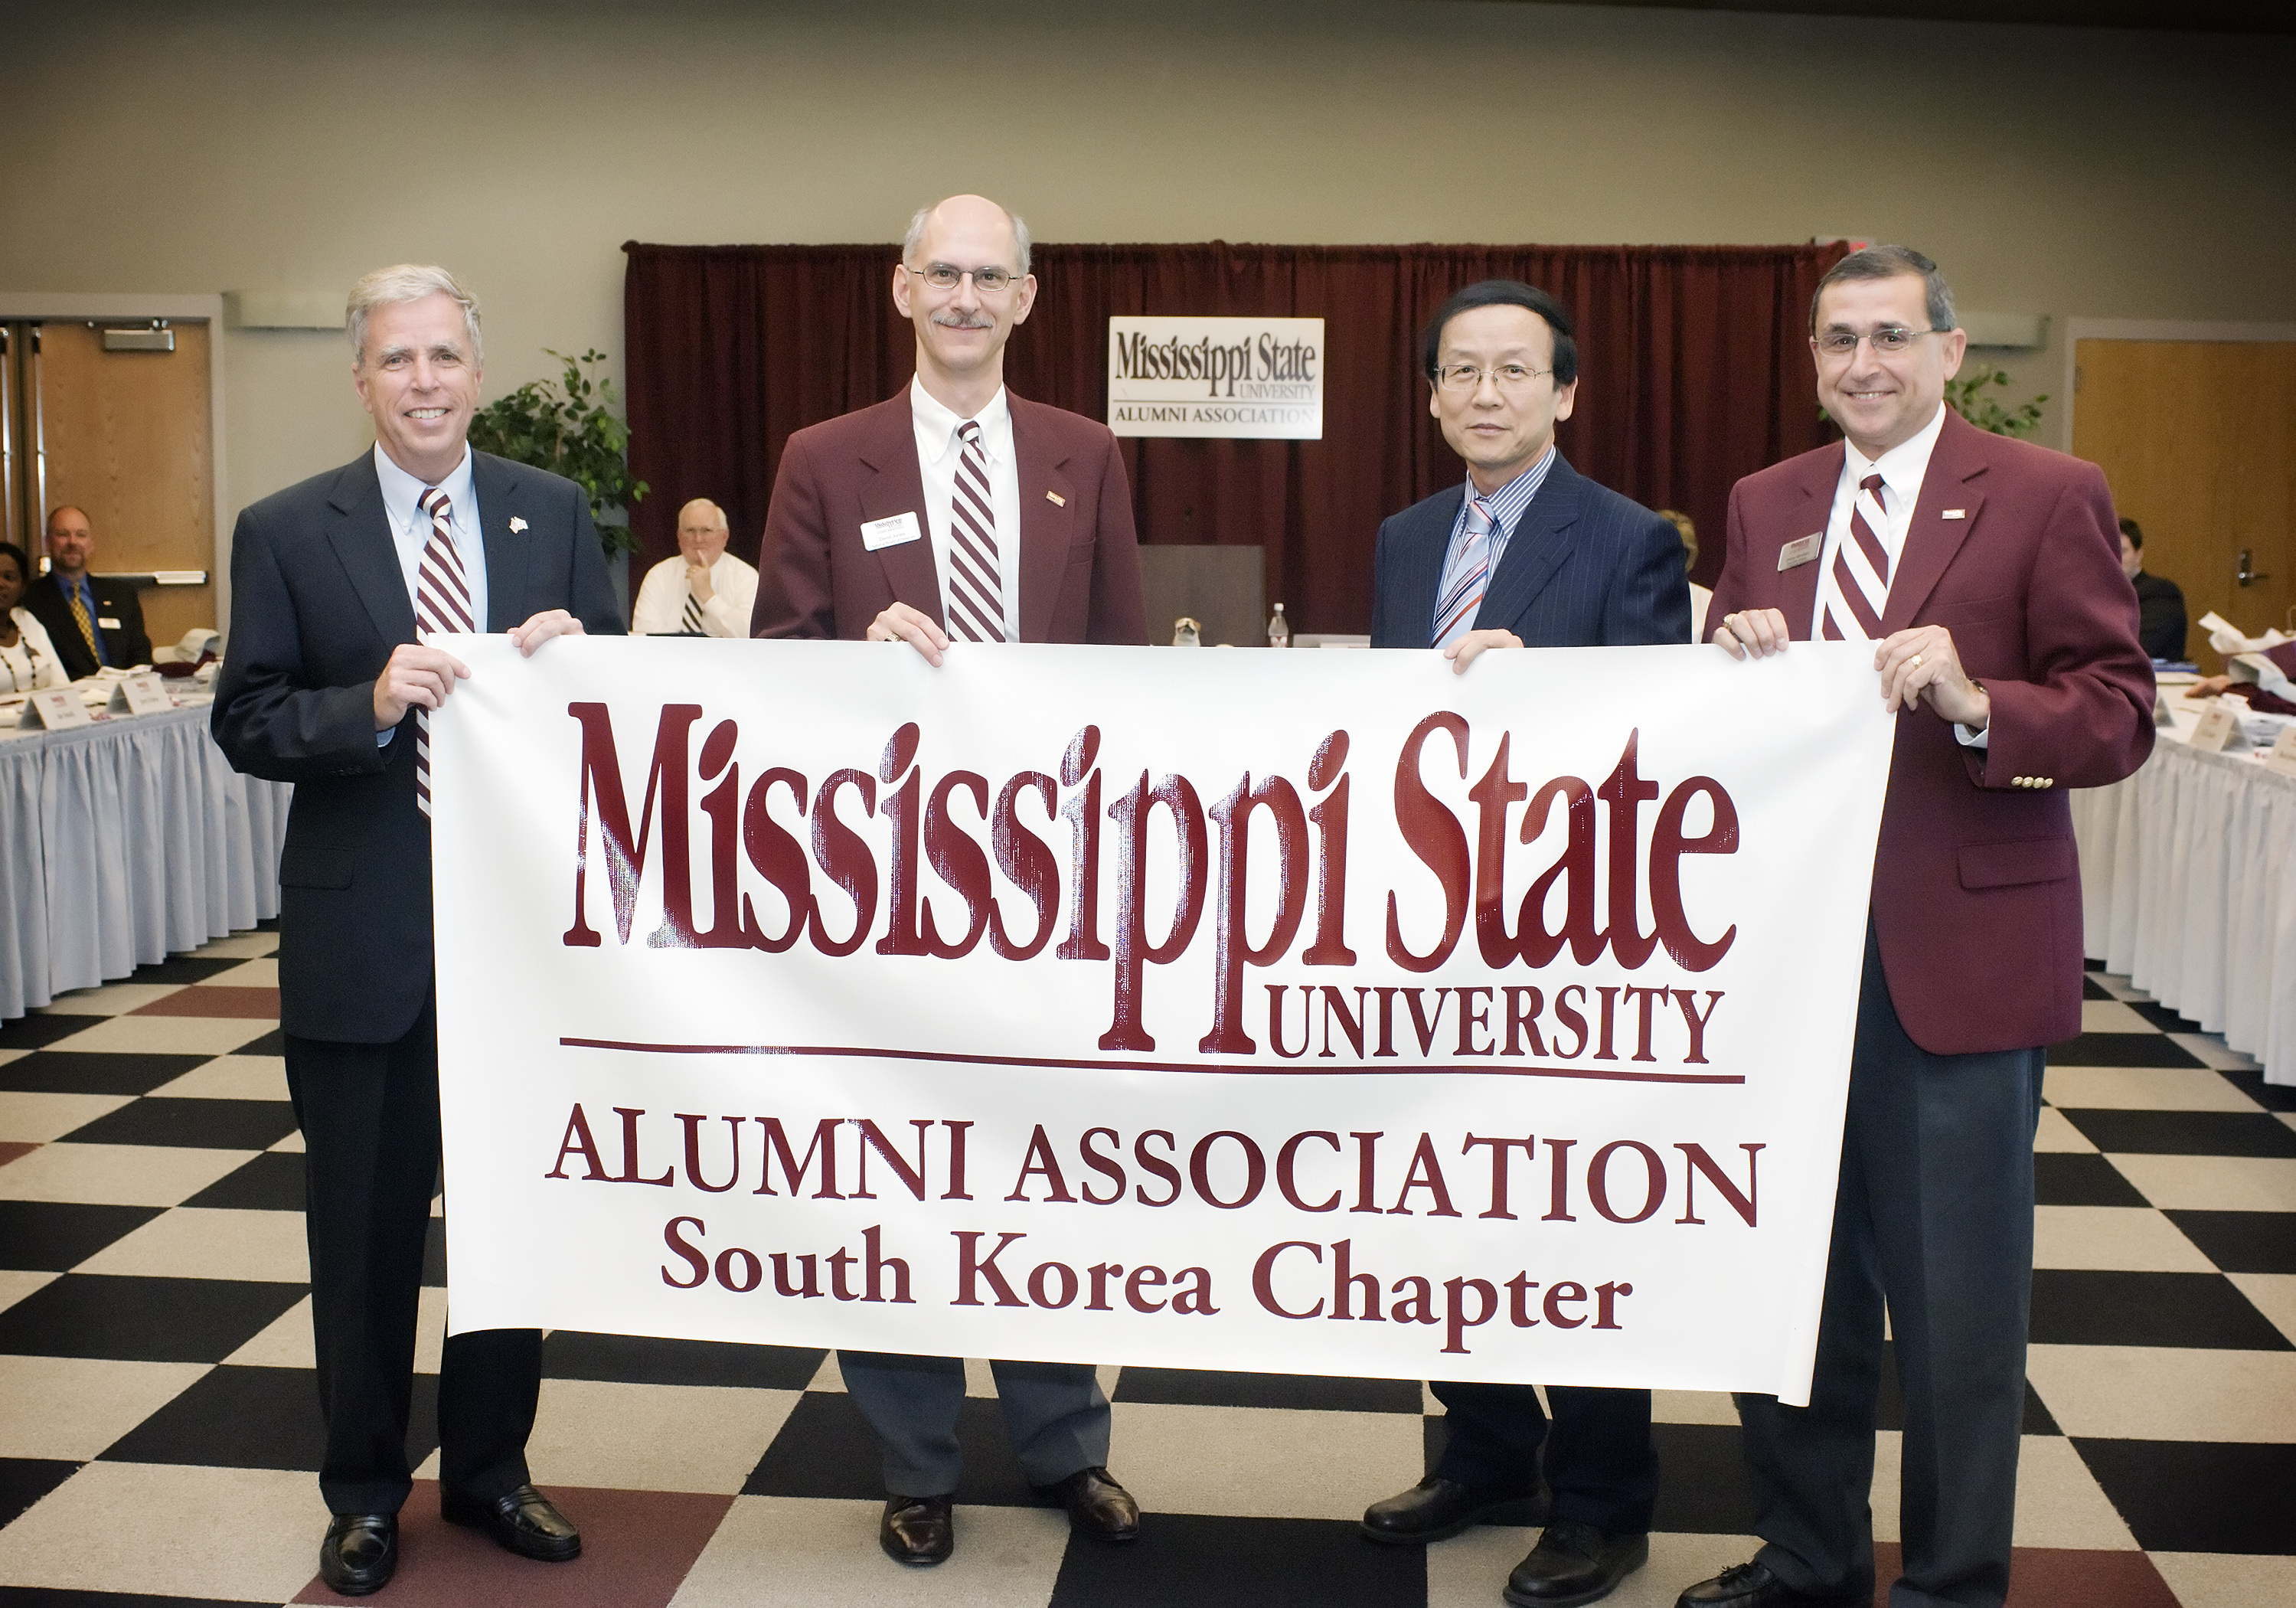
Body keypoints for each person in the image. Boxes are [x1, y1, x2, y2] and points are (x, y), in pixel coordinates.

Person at [1680, 246, 2153, 1608]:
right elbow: (1731, 709)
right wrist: (1733, 658)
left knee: (1953, 1320)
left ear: (1949, 351)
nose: (1861, 364)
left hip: (1951, 968)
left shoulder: (2045, 494)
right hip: (1777, 968)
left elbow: (2114, 710)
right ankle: (1806, 1558)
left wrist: (1973, 699)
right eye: (1836, 340)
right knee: (1788, 1290)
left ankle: (1949, 1585)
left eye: (1890, 336)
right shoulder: (1765, 499)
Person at [212, 264, 622, 1597]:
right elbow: (248, 719)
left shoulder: (552, 513)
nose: (425, 381)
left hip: (519, 952)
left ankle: (493, 1472)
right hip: (362, 953)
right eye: (397, 361)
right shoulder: (285, 529)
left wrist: (577, 678)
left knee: (510, 1229)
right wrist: (369, 702)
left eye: (444, 356)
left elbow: (626, 718)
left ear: (476, 371)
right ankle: (366, 1491)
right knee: (366, 1236)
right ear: (361, 381)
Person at [751, 193, 1147, 1568]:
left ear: (1027, 298)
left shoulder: (1083, 454)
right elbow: (772, 664)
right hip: (882, 891)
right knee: (895, 1170)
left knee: (1046, 1171)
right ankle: (916, 1461)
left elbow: (1122, 669)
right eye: (944, 274)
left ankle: (1061, 1450)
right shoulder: (823, 457)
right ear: (901, 289)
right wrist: (858, 647)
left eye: (992, 276)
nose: (967, 297)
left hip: (1048, 896)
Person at [1363, 279, 1687, 1608]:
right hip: (1424, 936)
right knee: (1445, 1201)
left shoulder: (1625, 541)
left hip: (1567, 951)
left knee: (1565, 1216)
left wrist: (1538, 706)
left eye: (1512, 371)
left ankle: (1604, 1500)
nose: (1483, 393)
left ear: (1562, 392)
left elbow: (1659, 748)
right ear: (1432, 394)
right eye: (1459, 371)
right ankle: (1486, 1448)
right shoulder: (1400, 539)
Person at [22, 505, 152, 678]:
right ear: (47, 543)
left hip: (122, 694)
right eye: (62, 534)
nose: (72, 542)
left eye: (81, 535)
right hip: (70, 697)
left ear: (91, 545)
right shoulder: (30, 599)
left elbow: (141, 655)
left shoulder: (121, 594)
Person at [630, 497, 758, 636]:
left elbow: (750, 633)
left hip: (727, 657)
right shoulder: (659, 574)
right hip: (670, 656)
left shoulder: (746, 577)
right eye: (690, 531)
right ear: (679, 536)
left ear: (724, 536)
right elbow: (643, 630)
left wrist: (708, 596)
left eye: (707, 530)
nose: (698, 539)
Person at [0, 541, 69, 692]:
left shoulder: (27, 621)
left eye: (9, 577)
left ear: (23, 587)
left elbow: (61, 686)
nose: (1, 584)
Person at [2118, 518, 2189, 662]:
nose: (2115, 558)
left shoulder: (2160, 593)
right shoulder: (2091, 596)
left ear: (2138, 555)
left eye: (2122, 551)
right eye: (2109, 551)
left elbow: (2135, 651)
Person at [1660, 509, 1713, 644]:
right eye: (1665, 552)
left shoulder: (1706, 599)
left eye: (1681, 552)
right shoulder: (1630, 595)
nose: (1671, 561)